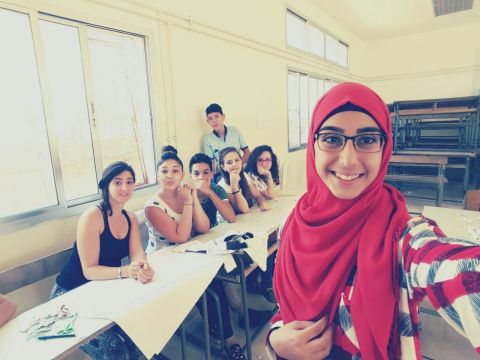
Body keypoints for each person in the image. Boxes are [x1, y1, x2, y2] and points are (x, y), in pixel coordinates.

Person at [268, 82, 480, 359]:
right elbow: (286, 308)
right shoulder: (293, 223)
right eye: (332, 138)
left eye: (367, 140)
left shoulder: (402, 236)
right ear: (313, 144)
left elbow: (456, 269)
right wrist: (274, 338)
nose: (347, 161)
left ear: (385, 147)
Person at [145, 148, 246, 360]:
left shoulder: (185, 194)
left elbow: (203, 226)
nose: (170, 175)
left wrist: (191, 196)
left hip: (187, 255)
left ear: (182, 174)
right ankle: (217, 328)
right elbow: (181, 236)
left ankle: (227, 337)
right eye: (165, 171)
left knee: (215, 283)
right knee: (206, 287)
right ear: (158, 175)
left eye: (175, 170)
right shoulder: (152, 206)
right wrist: (190, 200)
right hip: (163, 263)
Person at [52, 161, 154, 360]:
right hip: (69, 297)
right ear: (106, 185)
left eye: (129, 182)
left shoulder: (130, 217)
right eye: (117, 182)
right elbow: (89, 270)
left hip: (102, 291)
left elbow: (137, 254)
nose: (124, 188)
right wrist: (126, 271)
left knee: (140, 337)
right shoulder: (93, 215)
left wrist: (143, 266)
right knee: (115, 350)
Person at [202, 103, 250, 182]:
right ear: (208, 122)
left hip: (239, 170)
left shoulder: (235, 131)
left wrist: (237, 167)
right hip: (221, 175)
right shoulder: (207, 140)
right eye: (210, 119)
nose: (214, 121)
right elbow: (211, 163)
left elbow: (247, 152)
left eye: (217, 116)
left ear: (223, 117)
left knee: (248, 185)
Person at [217, 147, 270, 213]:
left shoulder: (244, 175)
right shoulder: (222, 186)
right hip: (232, 221)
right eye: (229, 163)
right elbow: (243, 210)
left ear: (241, 161)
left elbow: (258, 196)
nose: (234, 164)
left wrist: (262, 203)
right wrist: (234, 186)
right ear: (223, 167)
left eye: (237, 160)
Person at [189, 152, 236, 227]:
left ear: (211, 174)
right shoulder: (186, 194)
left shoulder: (217, 189)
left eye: (206, 172)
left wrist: (210, 192)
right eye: (196, 173)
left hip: (213, 234)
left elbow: (231, 218)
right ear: (190, 176)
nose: (201, 177)